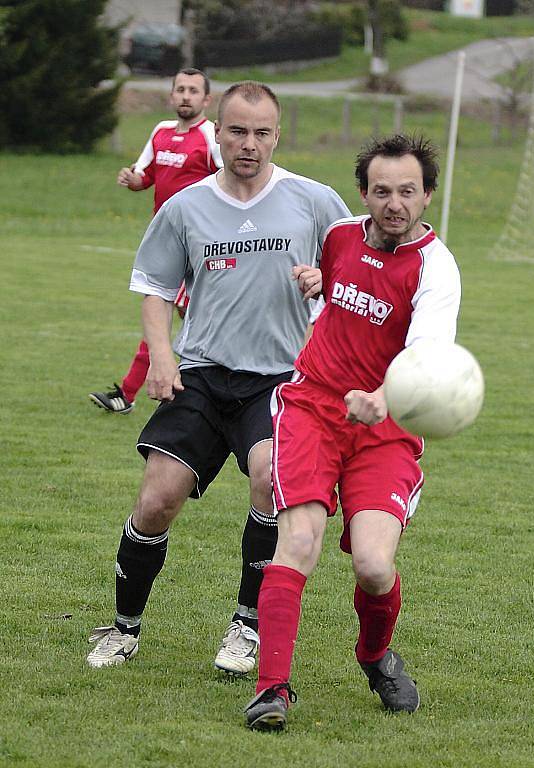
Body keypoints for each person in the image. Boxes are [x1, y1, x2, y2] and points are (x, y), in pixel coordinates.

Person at [86, 82, 351, 673]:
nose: (249, 144)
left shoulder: (313, 200)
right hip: (202, 373)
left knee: (267, 475)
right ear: (218, 133)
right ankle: (124, 628)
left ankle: (246, 624)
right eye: (237, 131)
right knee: (157, 498)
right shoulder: (187, 207)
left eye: (262, 133)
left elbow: (358, 272)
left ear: (277, 135)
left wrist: (325, 283)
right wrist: (160, 355)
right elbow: (155, 288)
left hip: (281, 380)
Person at [243, 134, 462, 730]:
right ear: (364, 193)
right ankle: (272, 690)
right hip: (312, 406)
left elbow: (425, 355)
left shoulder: (436, 268)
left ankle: (373, 655)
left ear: (427, 196)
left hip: (386, 426)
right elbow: (341, 288)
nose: (395, 204)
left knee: (372, 564)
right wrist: (319, 284)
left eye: (408, 192)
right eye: (382, 191)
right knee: (299, 543)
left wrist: (381, 399)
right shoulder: (339, 235)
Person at [89, 67, 222, 415]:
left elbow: (229, 180)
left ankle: (130, 393)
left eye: (194, 90)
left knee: (169, 314)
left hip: (199, 247)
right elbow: (145, 176)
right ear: (171, 95)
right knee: (185, 315)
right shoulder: (161, 132)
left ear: (206, 99)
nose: (186, 96)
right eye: (180, 89)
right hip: (165, 244)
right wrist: (132, 179)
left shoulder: (210, 136)